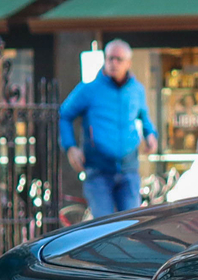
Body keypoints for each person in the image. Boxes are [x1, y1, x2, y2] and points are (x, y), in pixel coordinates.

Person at [57, 39, 157, 216]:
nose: (113, 63)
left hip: (129, 170)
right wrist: (70, 147)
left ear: (128, 63)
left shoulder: (137, 90)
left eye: (119, 59)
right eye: (110, 58)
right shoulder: (89, 89)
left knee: (131, 226)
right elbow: (64, 114)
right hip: (98, 172)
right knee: (103, 228)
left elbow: (144, 116)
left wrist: (150, 134)